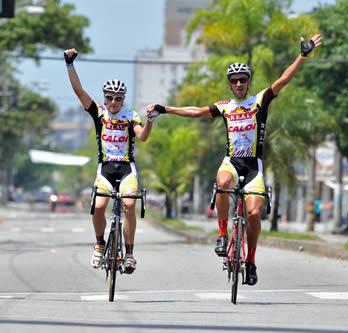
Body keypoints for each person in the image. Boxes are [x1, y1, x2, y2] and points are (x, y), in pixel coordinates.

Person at [146, 34, 322, 285]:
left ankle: (250, 261)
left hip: (253, 166)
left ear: (248, 82)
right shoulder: (225, 106)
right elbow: (196, 112)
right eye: (234, 81)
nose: (239, 84)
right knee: (222, 181)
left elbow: (284, 80)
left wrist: (303, 56)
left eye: (242, 80)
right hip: (232, 161)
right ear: (229, 84)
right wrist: (166, 109)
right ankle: (221, 234)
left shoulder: (259, 101)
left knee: (253, 213)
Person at [64, 48, 154, 273]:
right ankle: (99, 243)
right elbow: (79, 91)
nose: (113, 101)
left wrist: (150, 122)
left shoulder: (130, 116)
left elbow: (142, 137)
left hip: (126, 169)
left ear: (123, 99)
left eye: (118, 98)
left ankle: (130, 253)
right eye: (110, 97)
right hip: (104, 169)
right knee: (98, 206)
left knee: (130, 204)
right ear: (105, 97)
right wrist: (69, 64)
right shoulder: (99, 113)